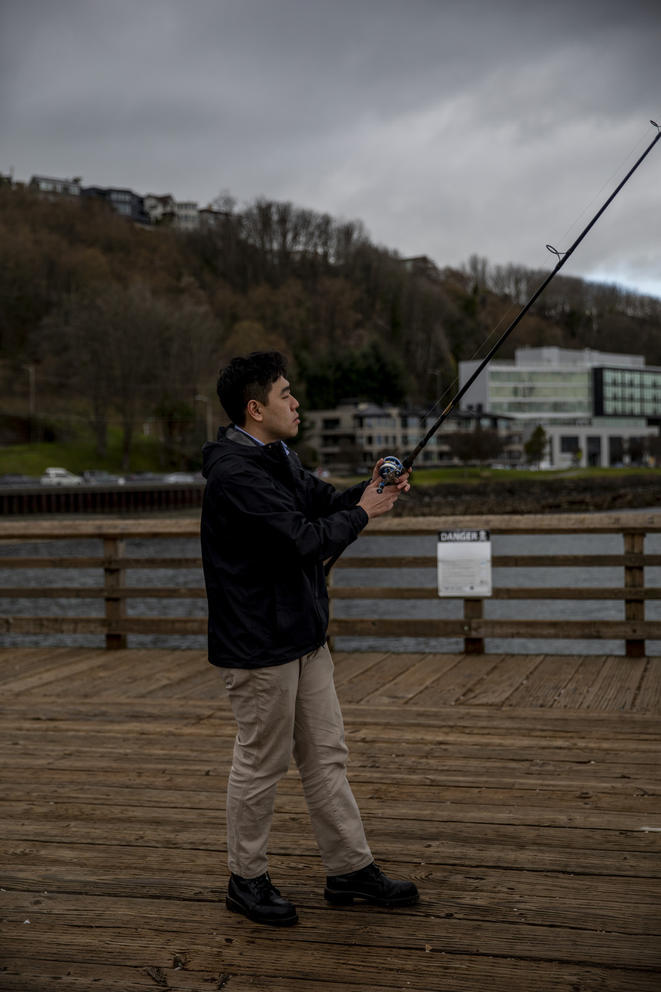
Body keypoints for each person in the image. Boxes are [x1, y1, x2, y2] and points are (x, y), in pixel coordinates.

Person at [201, 350, 419, 926]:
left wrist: (370, 489)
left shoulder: (275, 458)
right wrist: (366, 513)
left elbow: (323, 505)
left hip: (304, 635)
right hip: (259, 645)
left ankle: (349, 869)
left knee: (327, 756)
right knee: (260, 762)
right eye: (285, 395)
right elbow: (302, 540)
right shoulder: (235, 474)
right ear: (255, 408)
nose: (295, 403)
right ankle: (245, 881)